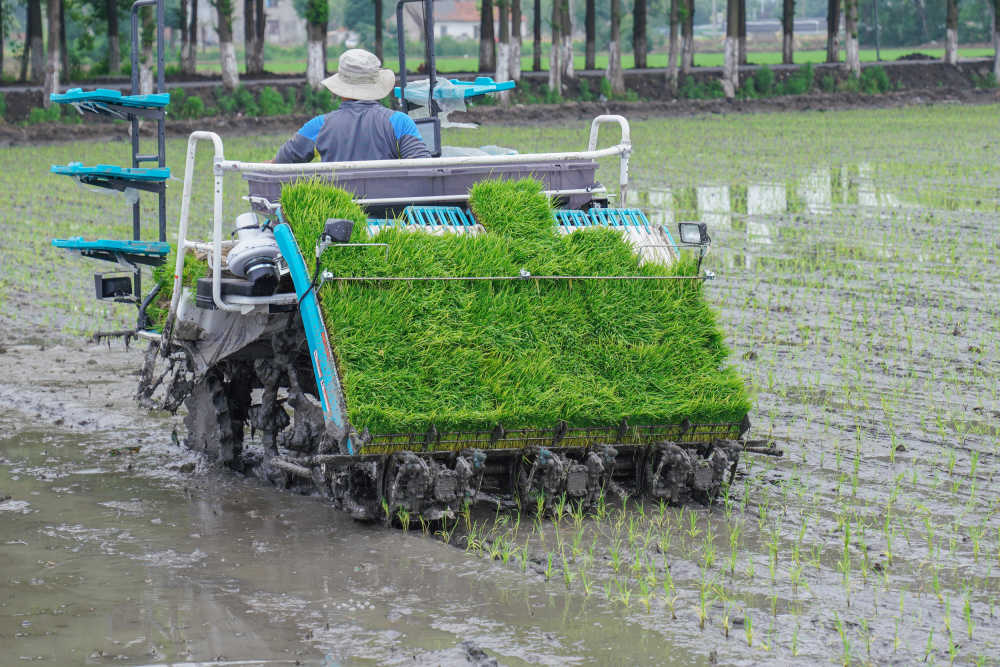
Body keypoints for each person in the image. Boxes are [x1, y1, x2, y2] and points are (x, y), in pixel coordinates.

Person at [274, 49, 431, 164]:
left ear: (340, 88)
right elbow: (423, 167)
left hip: (338, 208)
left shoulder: (319, 126)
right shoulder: (400, 122)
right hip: (390, 208)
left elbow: (280, 165)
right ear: (376, 85)